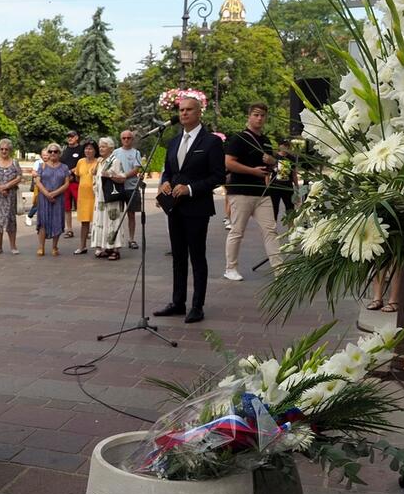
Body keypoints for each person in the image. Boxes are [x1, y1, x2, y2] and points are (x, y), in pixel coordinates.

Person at [153, 95, 225, 324]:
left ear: (199, 112)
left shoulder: (211, 141)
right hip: (174, 208)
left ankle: (197, 305)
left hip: (197, 208)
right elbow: (168, 171)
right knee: (178, 257)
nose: (183, 113)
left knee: (197, 256)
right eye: (181, 110)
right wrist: (165, 182)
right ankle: (178, 302)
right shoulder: (173, 141)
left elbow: (218, 176)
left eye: (188, 110)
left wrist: (191, 189)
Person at [223, 103, 281, 281]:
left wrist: (272, 161)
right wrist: (252, 171)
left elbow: (272, 166)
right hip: (241, 191)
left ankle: (280, 269)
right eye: (256, 115)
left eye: (262, 115)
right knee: (237, 231)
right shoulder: (238, 138)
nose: (259, 118)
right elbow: (228, 163)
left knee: (270, 230)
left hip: (262, 193)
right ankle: (230, 268)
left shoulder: (266, 141)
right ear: (249, 116)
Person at [90, 138, 127, 261]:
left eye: (104, 146)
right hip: (100, 198)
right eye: (100, 146)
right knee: (102, 222)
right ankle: (107, 247)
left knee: (113, 222)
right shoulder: (100, 162)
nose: (100, 149)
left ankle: (115, 249)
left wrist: (110, 175)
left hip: (112, 198)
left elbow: (122, 178)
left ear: (111, 149)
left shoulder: (115, 161)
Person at [35, 142, 70, 256]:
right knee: (43, 222)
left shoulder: (64, 167)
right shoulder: (42, 166)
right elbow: (38, 182)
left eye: (56, 151)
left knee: (57, 221)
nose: (53, 153)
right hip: (44, 197)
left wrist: (54, 193)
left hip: (58, 198)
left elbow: (66, 184)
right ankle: (41, 246)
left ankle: (55, 246)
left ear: (59, 153)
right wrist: (47, 194)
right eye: (51, 151)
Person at [113, 130, 144, 249]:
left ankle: (131, 239)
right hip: (118, 188)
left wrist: (124, 176)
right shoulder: (115, 152)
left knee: (131, 214)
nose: (126, 140)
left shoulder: (136, 153)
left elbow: (136, 169)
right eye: (124, 138)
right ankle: (117, 238)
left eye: (128, 138)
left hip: (132, 187)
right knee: (116, 214)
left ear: (132, 139)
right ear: (121, 139)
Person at [71, 140, 98, 254]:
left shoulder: (99, 162)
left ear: (95, 150)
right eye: (86, 148)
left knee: (97, 222)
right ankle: (82, 246)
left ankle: (98, 247)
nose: (88, 151)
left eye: (91, 148)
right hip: (83, 196)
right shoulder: (80, 162)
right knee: (84, 222)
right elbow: (77, 177)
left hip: (95, 196)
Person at [60, 130, 84, 238]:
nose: (70, 138)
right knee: (67, 207)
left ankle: (85, 228)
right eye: (68, 136)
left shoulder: (81, 149)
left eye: (72, 136)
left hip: (76, 181)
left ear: (77, 137)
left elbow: (83, 163)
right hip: (66, 182)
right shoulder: (65, 150)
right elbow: (61, 164)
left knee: (81, 205)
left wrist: (71, 172)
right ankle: (69, 229)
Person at [269, 139, 299, 224]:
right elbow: (268, 173)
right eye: (283, 145)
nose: (285, 147)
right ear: (279, 146)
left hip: (287, 186)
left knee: (290, 209)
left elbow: (294, 175)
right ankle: (272, 230)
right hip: (274, 186)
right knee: (274, 208)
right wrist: (267, 185)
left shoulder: (292, 158)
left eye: (287, 145)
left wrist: (297, 188)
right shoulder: (274, 157)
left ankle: (291, 229)